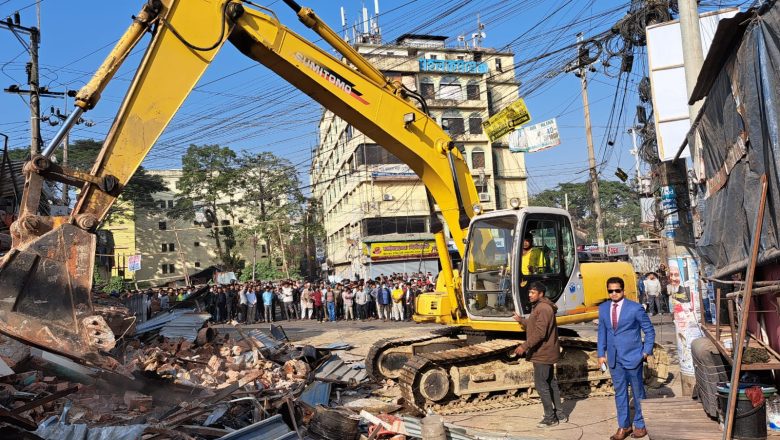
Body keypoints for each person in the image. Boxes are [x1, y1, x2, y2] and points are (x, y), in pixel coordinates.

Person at [598, 277, 655, 440]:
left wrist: (645, 352)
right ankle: (624, 426)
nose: (614, 293)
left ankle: (641, 424)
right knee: (620, 393)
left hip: (633, 357)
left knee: (638, 393)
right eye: (610, 291)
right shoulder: (603, 308)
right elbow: (602, 332)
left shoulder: (635, 308)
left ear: (623, 290)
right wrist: (601, 354)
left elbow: (649, 331)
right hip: (614, 359)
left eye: (617, 290)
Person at [512, 282, 565, 427]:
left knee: (542, 386)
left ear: (541, 294)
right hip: (544, 352)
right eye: (529, 292)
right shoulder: (540, 307)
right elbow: (535, 325)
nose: (529, 295)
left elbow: (540, 333)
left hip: (542, 353)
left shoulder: (543, 308)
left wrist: (524, 346)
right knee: (550, 383)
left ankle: (550, 418)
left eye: (533, 292)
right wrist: (521, 320)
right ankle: (559, 414)